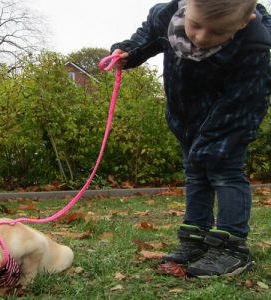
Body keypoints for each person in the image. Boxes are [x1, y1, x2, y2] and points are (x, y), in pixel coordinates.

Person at [111, 0, 271, 277]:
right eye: (195, 25)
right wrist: (129, 52)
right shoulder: (166, 16)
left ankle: (232, 247)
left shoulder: (253, 46)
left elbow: (246, 99)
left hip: (229, 121)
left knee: (225, 173)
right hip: (185, 117)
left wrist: (214, 139)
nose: (201, 37)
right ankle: (195, 238)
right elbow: (147, 38)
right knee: (195, 174)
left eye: (217, 33)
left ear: (243, 23)